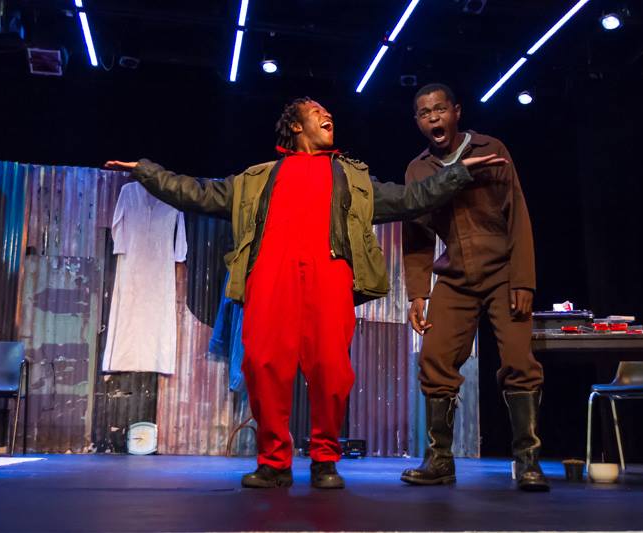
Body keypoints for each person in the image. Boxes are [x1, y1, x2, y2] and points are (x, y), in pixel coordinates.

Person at [105, 96, 506, 490]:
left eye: (328, 111)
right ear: (297, 126)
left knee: (332, 371)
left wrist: (456, 173)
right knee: (262, 365)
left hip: (328, 274)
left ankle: (325, 459)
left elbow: (410, 198)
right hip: (270, 275)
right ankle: (273, 463)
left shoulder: (350, 177)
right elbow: (196, 192)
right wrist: (147, 172)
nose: (328, 114)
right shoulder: (258, 178)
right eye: (317, 112)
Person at [400, 84, 549, 491]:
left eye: (440, 109)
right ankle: (439, 460)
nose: (433, 117)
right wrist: (417, 293)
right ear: (417, 121)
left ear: (456, 111)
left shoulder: (491, 149)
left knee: (518, 360)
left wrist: (523, 279)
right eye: (424, 113)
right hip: (455, 277)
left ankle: (528, 461)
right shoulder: (418, 170)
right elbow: (416, 236)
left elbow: (517, 214)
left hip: (503, 271)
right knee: (434, 358)